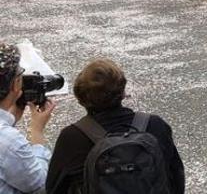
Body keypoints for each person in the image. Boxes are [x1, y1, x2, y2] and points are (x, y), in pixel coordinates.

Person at [46, 59, 184, 194]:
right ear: (122, 92)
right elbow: (175, 178)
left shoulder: (71, 137)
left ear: (80, 99)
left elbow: (53, 187)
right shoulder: (155, 125)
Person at [0, 42, 56, 194]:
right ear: (15, 84)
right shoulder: (8, 141)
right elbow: (40, 185)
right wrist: (36, 131)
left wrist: (11, 118)